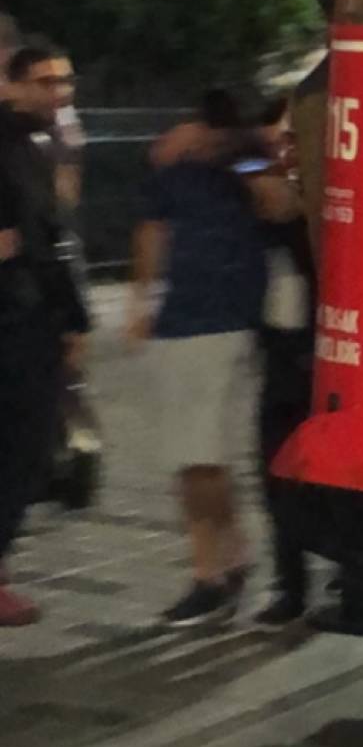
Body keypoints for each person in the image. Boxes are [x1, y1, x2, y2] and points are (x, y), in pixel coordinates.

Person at [130, 88, 268, 626]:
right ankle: (225, 560)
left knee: (201, 455)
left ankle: (215, 570)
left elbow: (278, 199)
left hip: (226, 319)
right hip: (179, 318)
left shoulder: (247, 164)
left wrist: (239, 153)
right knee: (189, 458)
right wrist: (143, 300)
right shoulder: (175, 168)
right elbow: (151, 229)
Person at [0, 44, 90, 625]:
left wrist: (74, 319)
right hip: (14, 318)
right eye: (43, 81)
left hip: (34, 316)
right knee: (18, 448)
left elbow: (51, 239)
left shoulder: (37, 143)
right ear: (11, 83)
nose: (57, 93)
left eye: (64, 81)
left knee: (26, 448)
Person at [246, 100, 319, 631]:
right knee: (275, 473)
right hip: (282, 356)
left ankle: (344, 572)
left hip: (322, 355)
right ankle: (290, 584)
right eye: (274, 143)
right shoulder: (261, 192)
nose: (280, 153)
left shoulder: (324, 201)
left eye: (290, 142)